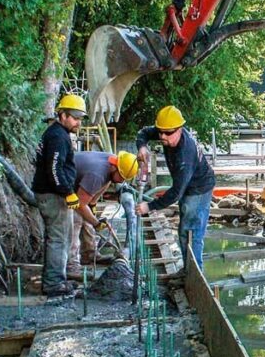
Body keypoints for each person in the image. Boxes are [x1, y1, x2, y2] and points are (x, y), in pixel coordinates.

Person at [134, 106, 215, 268]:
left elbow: (176, 192)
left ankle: (195, 276)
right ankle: (187, 271)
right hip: (187, 184)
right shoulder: (166, 132)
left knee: (192, 232)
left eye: (168, 133)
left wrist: (149, 206)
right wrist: (142, 146)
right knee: (183, 230)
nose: (163, 136)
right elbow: (143, 133)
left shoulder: (184, 154)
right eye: (160, 132)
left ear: (179, 129)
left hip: (199, 188)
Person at [31, 94, 85, 296]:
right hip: (53, 195)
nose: (78, 122)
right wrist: (68, 192)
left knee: (61, 237)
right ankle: (54, 284)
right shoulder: (57, 136)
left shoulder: (57, 134)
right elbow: (54, 169)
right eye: (74, 117)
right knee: (59, 239)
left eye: (80, 118)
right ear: (62, 115)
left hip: (52, 192)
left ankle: (56, 279)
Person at [66, 151, 139, 277]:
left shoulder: (112, 163)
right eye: (122, 177)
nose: (122, 181)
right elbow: (80, 205)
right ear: (115, 169)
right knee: (76, 218)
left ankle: (89, 254)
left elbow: (106, 182)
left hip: (75, 186)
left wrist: (93, 204)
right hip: (60, 187)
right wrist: (96, 223)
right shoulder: (97, 174)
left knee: (87, 216)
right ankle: (71, 265)